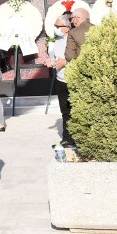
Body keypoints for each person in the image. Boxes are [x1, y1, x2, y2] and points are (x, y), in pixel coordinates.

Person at [62, 7, 92, 147]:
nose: (72, 21)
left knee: (82, 108)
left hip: (82, 74)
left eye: (72, 18)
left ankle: (82, 140)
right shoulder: (98, 28)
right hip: (100, 75)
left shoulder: (73, 33)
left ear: (79, 18)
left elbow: (69, 56)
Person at [46, 13, 73, 145]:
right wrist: (51, 62)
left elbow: (79, 57)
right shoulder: (57, 41)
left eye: (58, 26)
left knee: (74, 110)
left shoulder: (73, 40)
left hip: (72, 79)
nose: (55, 29)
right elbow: (57, 58)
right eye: (54, 26)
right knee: (65, 111)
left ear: (67, 28)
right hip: (60, 79)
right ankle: (67, 139)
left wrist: (65, 62)